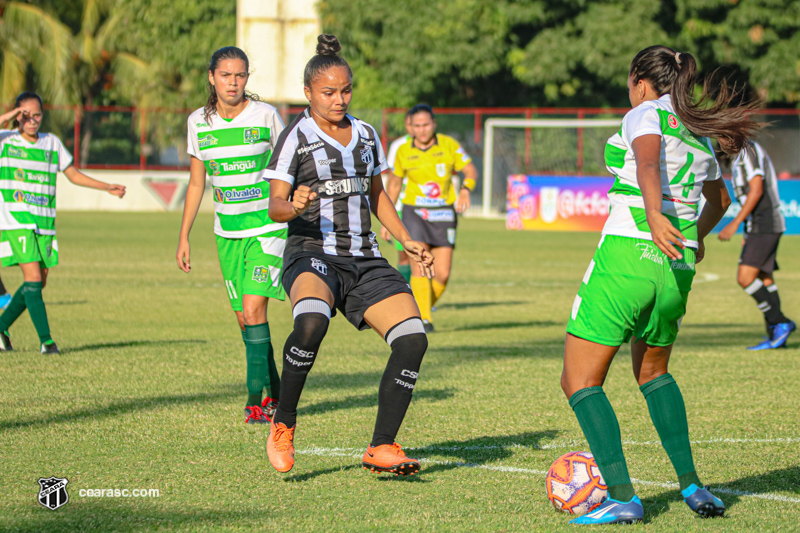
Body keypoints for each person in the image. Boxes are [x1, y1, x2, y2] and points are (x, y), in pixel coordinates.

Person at [561, 46, 760, 525]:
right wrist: (691, 236)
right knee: (653, 375)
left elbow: (648, 164)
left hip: (629, 256)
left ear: (639, 80)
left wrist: (654, 217)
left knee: (579, 380)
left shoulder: (645, 112)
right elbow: (721, 199)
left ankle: (624, 496)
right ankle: (693, 486)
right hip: (676, 268)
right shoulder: (697, 128)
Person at [264, 34, 434, 476]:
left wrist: (405, 239)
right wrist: (295, 205)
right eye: (328, 92)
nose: (339, 99)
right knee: (312, 322)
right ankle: (283, 422)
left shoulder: (366, 135)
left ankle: (382, 446)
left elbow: (377, 196)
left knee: (413, 339)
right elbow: (275, 205)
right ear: (308, 93)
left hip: (364, 258)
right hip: (311, 252)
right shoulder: (294, 138)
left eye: (345, 90)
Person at [176, 47, 287, 425]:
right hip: (227, 232)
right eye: (225, 74)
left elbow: (291, 165)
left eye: (240, 75)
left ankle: (255, 401)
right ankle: (279, 392)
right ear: (212, 77)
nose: (233, 82)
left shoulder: (266, 116)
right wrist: (184, 236)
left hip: (269, 229)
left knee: (255, 309)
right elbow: (196, 182)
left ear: (247, 78)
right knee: (245, 320)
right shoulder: (198, 122)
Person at [0, 92, 126, 354]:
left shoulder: (51, 143)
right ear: (17, 116)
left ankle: (1, 328)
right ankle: (47, 342)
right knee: (33, 278)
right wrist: (11, 116)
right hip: (16, 219)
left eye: (37, 115)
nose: (32, 120)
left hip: (44, 222)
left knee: (38, 283)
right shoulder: (6, 140)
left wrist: (106, 187)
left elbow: (73, 174)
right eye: (26, 115)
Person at [388, 104, 478, 332]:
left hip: (444, 213)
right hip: (414, 213)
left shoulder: (449, 145)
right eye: (417, 126)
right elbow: (395, 184)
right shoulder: (403, 151)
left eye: (426, 124)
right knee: (419, 267)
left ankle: (415, 311)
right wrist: (388, 220)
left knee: (443, 273)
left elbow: (470, 170)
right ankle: (424, 321)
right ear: (411, 127)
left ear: (434, 124)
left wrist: (466, 189)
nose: (422, 130)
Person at [718, 141, 794, 349]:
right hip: (758, 224)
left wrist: (734, 224)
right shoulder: (739, 155)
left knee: (745, 278)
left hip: (765, 222)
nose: (721, 140)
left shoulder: (748, 150)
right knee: (764, 277)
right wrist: (746, 228)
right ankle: (775, 336)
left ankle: (780, 322)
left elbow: (756, 190)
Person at [381, 111, 414, 283]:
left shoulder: (438, 145)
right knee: (405, 256)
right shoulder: (399, 146)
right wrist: (389, 215)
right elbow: (393, 180)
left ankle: (426, 299)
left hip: (428, 210)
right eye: (410, 124)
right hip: (403, 209)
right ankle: (406, 294)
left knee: (429, 255)